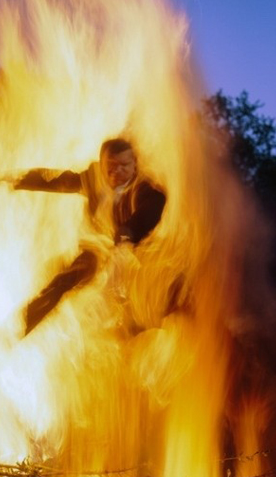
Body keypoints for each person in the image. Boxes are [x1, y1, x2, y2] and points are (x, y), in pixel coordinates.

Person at [13, 138, 166, 334]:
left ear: (135, 163)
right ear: (102, 164)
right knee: (64, 280)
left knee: (138, 311)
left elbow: (151, 208)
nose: (117, 172)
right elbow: (58, 180)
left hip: (138, 255)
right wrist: (19, 180)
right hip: (100, 248)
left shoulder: (144, 189)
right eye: (110, 167)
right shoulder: (94, 179)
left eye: (124, 166)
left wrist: (129, 232)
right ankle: (19, 327)